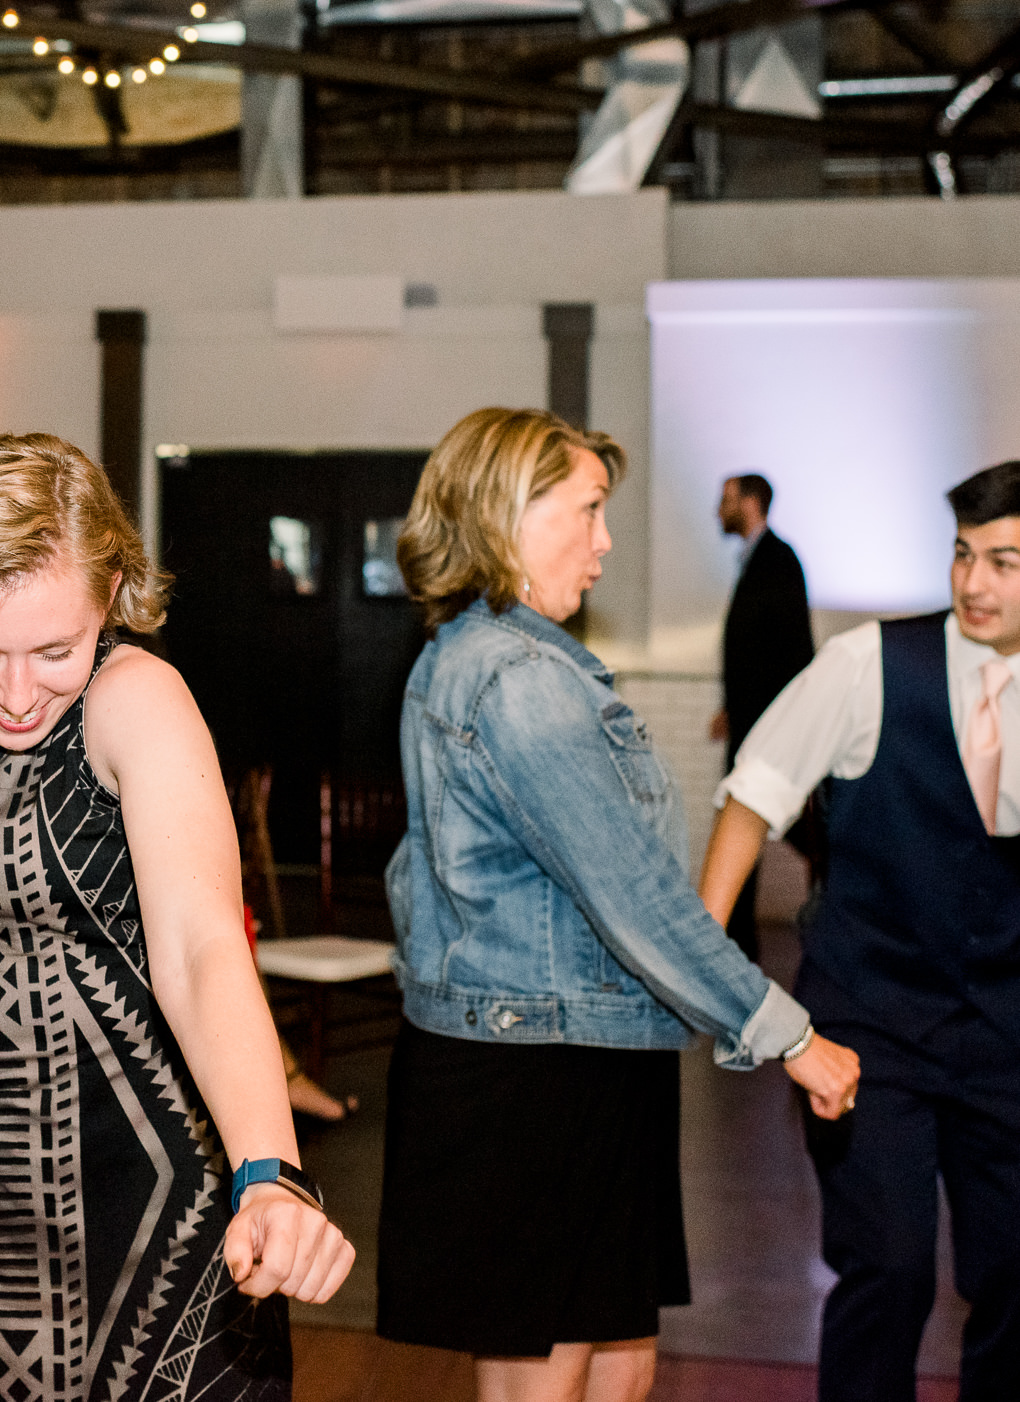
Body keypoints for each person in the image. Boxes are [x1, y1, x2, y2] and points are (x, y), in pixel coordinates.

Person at [0, 433, 354, 1402]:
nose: (17, 694)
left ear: (112, 595)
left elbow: (204, 951)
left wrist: (270, 1168)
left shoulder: (136, 701)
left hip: (159, 1221)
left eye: (56, 649)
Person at [377, 408, 858, 1402]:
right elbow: (637, 898)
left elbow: (412, 872)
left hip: (572, 1055)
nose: (604, 542)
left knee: (621, 1359)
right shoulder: (518, 680)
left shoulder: (474, 655)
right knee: (554, 1369)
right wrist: (788, 1033)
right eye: (588, 510)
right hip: (536, 1068)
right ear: (508, 511)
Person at [698, 459, 1020, 1402]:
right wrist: (712, 969)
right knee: (892, 1267)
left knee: (1010, 1278)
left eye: (1004, 561)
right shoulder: (868, 664)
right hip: (868, 1026)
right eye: (964, 555)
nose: (972, 583)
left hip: (1006, 1033)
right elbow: (753, 794)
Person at [708, 472, 815, 962]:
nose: (718, 509)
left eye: (726, 499)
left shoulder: (779, 559)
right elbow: (755, 646)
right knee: (748, 819)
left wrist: (777, 720)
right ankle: (738, 940)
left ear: (750, 502)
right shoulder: (755, 558)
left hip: (769, 728)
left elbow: (792, 648)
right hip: (752, 720)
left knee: (789, 823)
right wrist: (733, 707)